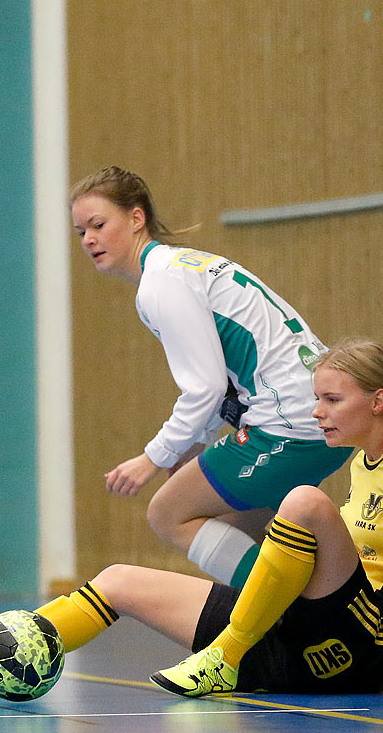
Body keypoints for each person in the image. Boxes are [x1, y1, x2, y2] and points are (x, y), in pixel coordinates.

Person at [0, 340, 383, 700]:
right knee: (119, 580)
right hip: (304, 641)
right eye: (315, 399)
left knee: (302, 502)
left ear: (378, 401)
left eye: (331, 400)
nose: (318, 413)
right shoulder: (363, 464)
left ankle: (226, 654)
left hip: (362, 652)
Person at [70, 166, 351, 586]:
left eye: (98, 224)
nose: (89, 239)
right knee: (238, 526)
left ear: (135, 218)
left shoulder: (160, 283)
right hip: (320, 419)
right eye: (80, 232)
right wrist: (193, 443)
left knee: (167, 513)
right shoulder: (181, 267)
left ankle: (287, 615)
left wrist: (154, 457)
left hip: (293, 424)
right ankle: (318, 613)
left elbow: (204, 388)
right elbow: (222, 382)